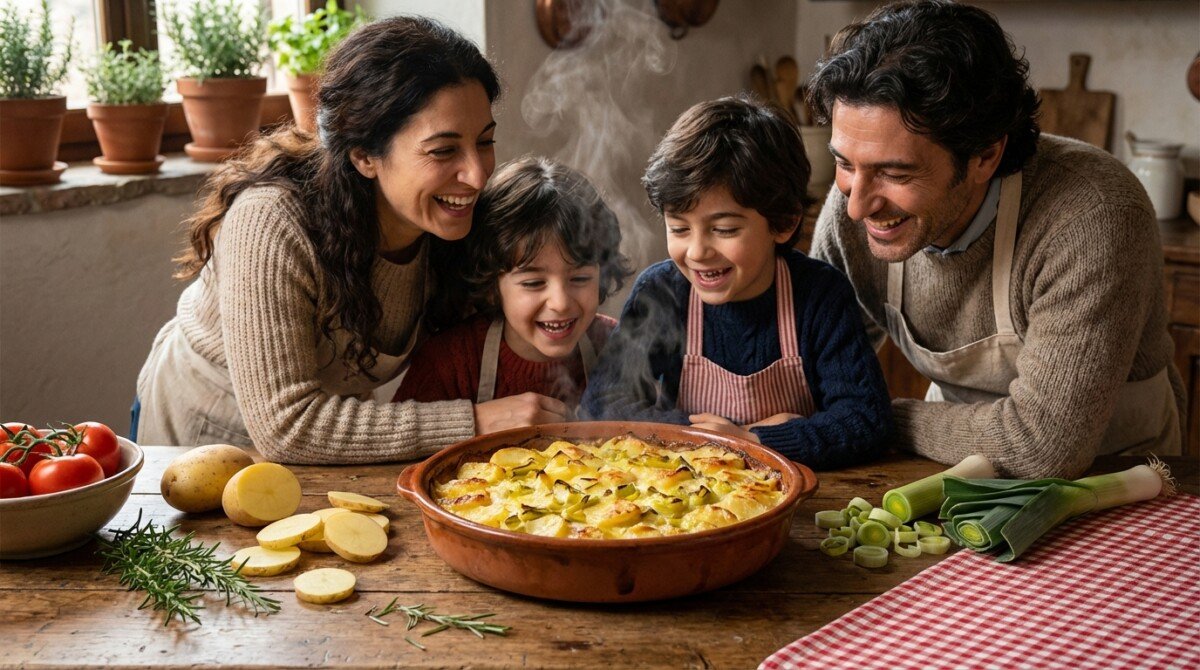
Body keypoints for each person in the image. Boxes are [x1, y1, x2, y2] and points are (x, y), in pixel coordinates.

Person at [134, 17, 570, 463]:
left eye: (485, 141)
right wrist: (475, 422)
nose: (477, 175)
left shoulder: (450, 221)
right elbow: (286, 427)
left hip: (325, 445)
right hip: (204, 433)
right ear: (364, 156)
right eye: (443, 151)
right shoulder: (270, 220)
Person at [806, 0, 1184, 478]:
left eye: (895, 173)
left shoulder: (1093, 214)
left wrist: (876, 419)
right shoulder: (853, 206)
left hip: (1121, 477)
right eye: (844, 163)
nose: (857, 206)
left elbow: (1042, 447)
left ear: (985, 156)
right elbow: (809, 370)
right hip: (951, 461)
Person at [581, 95, 893, 470]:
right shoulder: (663, 293)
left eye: (724, 229)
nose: (697, 251)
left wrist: (755, 440)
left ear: (784, 223)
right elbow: (604, 403)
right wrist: (712, 438)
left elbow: (866, 420)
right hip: (685, 488)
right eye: (679, 228)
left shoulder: (820, 295)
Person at [393, 156, 632, 409]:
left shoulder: (619, 345)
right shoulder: (449, 362)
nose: (561, 303)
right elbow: (404, 435)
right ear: (491, 286)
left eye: (580, 278)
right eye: (533, 283)